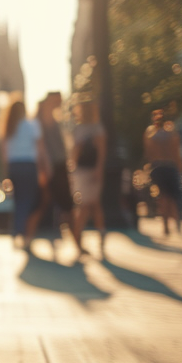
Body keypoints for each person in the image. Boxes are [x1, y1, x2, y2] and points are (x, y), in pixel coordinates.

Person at [24, 91, 79, 254]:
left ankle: (79, 244)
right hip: (46, 168)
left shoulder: (55, 120)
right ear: (50, 101)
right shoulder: (38, 122)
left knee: (67, 206)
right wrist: (43, 169)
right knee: (40, 203)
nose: (60, 103)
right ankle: (27, 240)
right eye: (58, 100)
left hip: (59, 167)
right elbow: (38, 148)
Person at [0, 96, 44, 246]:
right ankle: (23, 233)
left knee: (18, 200)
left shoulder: (8, 127)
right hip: (28, 165)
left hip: (14, 166)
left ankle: (16, 231)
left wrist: (7, 170)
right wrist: (42, 168)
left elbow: (4, 151)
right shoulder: (32, 125)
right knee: (28, 200)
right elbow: (39, 148)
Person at [71, 98, 108, 259]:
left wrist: (98, 168)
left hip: (88, 170)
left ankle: (80, 236)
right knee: (90, 204)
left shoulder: (93, 128)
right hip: (84, 170)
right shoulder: (88, 128)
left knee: (90, 204)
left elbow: (100, 150)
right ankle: (85, 236)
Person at [143, 108, 182, 236]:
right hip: (170, 166)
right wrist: (180, 169)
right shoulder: (172, 134)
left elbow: (148, 153)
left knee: (163, 196)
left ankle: (165, 225)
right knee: (173, 197)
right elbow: (177, 153)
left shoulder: (150, 134)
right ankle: (177, 222)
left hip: (157, 167)